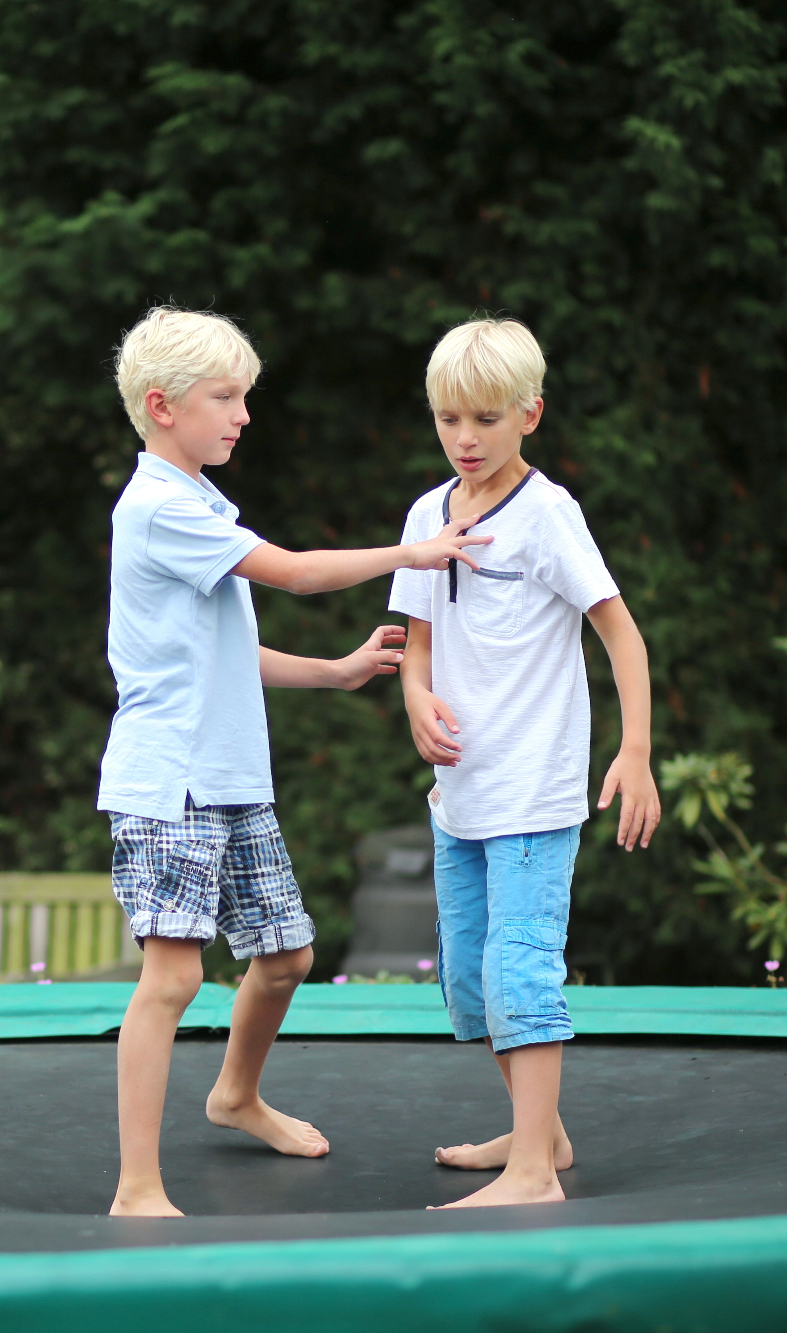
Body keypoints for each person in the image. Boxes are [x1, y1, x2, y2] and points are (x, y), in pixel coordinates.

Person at [101, 306, 491, 1218]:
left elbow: (228, 650)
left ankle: (234, 1095)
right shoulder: (159, 506)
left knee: (284, 955)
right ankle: (136, 1187)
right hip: (170, 784)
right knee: (174, 975)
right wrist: (416, 551)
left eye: (245, 396)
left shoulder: (199, 501)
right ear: (163, 406)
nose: (242, 415)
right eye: (225, 398)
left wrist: (336, 670)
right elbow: (298, 572)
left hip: (230, 779)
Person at [387, 317, 662, 1209]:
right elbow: (417, 642)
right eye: (448, 420)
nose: (465, 439)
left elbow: (620, 632)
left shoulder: (547, 515)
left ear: (529, 415)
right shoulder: (427, 514)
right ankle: (542, 1130)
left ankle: (534, 1173)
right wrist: (415, 698)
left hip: (534, 791)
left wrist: (636, 749)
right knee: (469, 977)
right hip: (460, 791)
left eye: (484, 420)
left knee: (520, 967)